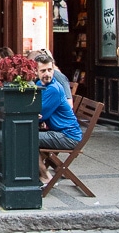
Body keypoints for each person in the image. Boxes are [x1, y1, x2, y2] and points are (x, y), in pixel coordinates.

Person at [34, 53, 82, 187]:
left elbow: (39, 115)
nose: (47, 74)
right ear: (36, 71)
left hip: (68, 136)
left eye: (50, 70)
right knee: (25, 136)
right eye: (43, 71)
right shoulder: (40, 84)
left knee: (27, 138)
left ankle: (44, 176)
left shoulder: (53, 89)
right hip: (59, 132)